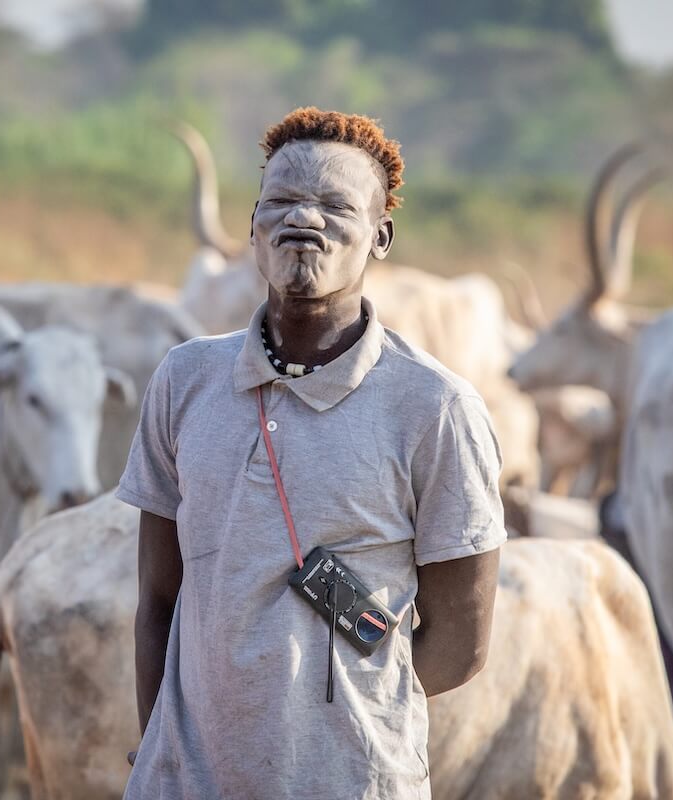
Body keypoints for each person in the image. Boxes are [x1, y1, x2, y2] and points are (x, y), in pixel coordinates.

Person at [117, 107, 506, 799]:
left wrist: (344, 710)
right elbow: (157, 599)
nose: (305, 218)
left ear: (380, 235)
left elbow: (460, 642)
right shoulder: (185, 380)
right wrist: (163, 752)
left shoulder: (435, 408)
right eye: (283, 201)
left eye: (334, 204)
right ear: (252, 229)